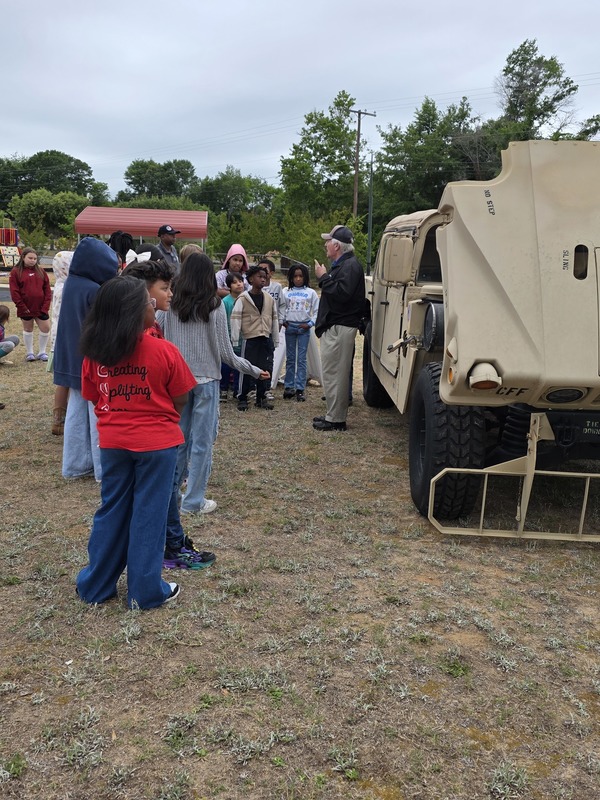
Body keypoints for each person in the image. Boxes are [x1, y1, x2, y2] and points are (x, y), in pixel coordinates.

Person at [76, 276, 196, 608]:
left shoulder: (94, 354)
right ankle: (144, 592)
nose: (154, 303)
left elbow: (92, 396)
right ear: (132, 310)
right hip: (157, 445)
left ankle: (95, 585)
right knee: (149, 514)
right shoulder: (163, 350)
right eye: (148, 301)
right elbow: (182, 397)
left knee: (111, 510)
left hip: (113, 443)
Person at [158, 253, 269, 516]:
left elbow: (158, 335)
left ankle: (171, 496)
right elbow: (226, 354)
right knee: (202, 443)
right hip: (206, 382)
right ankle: (193, 501)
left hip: (177, 383)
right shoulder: (214, 306)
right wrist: (254, 370)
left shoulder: (172, 306)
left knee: (178, 441)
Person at [54, 238, 119, 480]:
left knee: (76, 412)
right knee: (97, 413)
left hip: (71, 359)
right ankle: (103, 469)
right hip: (91, 361)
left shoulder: (70, 284)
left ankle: (74, 465)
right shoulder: (95, 290)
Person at [313, 225, 365, 431]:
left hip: (340, 327)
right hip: (336, 327)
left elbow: (342, 294)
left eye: (328, 241)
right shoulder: (345, 265)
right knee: (332, 373)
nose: (325, 244)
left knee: (336, 374)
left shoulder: (350, 266)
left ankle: (336, 420)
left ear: (336, 245)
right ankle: (332, 415)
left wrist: (323, 277)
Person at [230, 265, 279, 411]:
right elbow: (235, 319)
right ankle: (242, 397)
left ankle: (261, 397)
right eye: (260, 276)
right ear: (251, 279)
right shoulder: (243, 298)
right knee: (246, 368)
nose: (263, 279)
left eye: (265, 277)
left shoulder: (269, 299)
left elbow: (275, 319)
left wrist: (275, 339)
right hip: (250, 340)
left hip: (265, 338)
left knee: (264, 369)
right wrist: (235, 339)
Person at [282, 264, 319, 402]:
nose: (298, 279)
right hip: (290, 327)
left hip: (304, 328)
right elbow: (281, 308)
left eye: (300, 276)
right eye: (295, 276)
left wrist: (310, 324)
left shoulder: (311, 293)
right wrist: (284, 321)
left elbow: (316, 311)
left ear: (305, 277)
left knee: (301, 359)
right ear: (291, 277)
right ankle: (289, 386)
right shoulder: (286, 292)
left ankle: (300, 388)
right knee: (290, 358)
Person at [8, 247, 52, 362]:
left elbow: (47, 290)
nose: (33, 260)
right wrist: (21, 306)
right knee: (28, 329)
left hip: (41, 307)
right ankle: (30, 352)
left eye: (35, 258)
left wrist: (45, 306)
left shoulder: (41, 271)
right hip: (26, 308)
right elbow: (14, 291)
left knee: (46, 328)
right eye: (30, 258)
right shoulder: (16, 272)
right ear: (23, 258)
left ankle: (42, 352)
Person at [48, 251, 73, 435]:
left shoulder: (58, 285)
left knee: (61, 382)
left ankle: (58, 419)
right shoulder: (68, 288)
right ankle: (63, 419)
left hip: (56, 340)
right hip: (65, 341)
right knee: (67, 382)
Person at [220, 271, 245, 401]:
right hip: (228, 339)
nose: (238, 284)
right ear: (229, 286)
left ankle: (237, 390)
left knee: (239, 366)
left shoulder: (246, 300)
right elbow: (224, 321)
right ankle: (223, 389)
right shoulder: (225, 302)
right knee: (225, 365)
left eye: (240, 281)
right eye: (234, 282)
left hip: (242, 339)